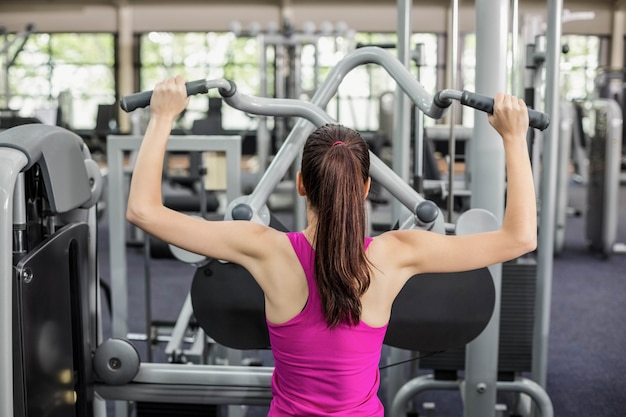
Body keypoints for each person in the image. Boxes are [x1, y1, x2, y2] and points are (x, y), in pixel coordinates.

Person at [126, 75, 537, 416]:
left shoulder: (262, 248)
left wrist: (162, 117)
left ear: (302, 184)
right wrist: (515, 138)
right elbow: (519, 237)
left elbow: (143, 211)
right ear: (366, 188)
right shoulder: (396, 254)